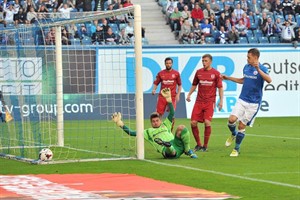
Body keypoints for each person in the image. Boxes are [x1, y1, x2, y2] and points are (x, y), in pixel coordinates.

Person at [112, 88, 197, 159]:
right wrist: (120, 123)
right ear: (151, 123)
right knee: (169, 149)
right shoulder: (148, 132)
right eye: (153, 121)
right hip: (166, 151)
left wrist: (169, 100)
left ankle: (187, 150)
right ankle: (168, 146)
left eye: (157, 121)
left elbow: (171, 113)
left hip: (176, 143)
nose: (155, 123)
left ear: (160, 120)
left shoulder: (165, 124)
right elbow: (132, 133)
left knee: (181, 128)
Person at [222, 48, 272, 157]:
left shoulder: (262, 68)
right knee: (231, 120)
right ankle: (233, 134)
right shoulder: (246, 67)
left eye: (249, 57)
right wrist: (228, 78)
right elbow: (243, 80)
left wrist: (258, 69)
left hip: (254, 103)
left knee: (241, 125)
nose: (247, 59)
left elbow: (269, 80)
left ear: (255, 57)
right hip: (242, 99)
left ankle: (236, 149)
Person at [186, 54, 224, 152]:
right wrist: (189, 94)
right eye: (203, 61)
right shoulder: (198, 72)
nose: (204, 63)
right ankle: (198, 144)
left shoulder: (216, 73)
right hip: (199, 101)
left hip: (209, 101)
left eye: (206, 61)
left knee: (207, 122)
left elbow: (220, 87)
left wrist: (221, 101)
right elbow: (194, 85)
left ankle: (205, 146)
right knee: (193, 123)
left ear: (211, 61)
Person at [152, 57, 182, 131]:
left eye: (170, 63)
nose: (168, 64)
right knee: (159, 115)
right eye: (167, 63)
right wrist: (154, 89)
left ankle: (169, 131)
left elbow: (179, 85)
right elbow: (156, 83)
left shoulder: (176, 73)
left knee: (172, 115)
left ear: (172, 64)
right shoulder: (161, 73)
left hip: (172, 97)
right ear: (165, 64)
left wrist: (178, 94)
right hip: (162, 97)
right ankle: (158, 131)